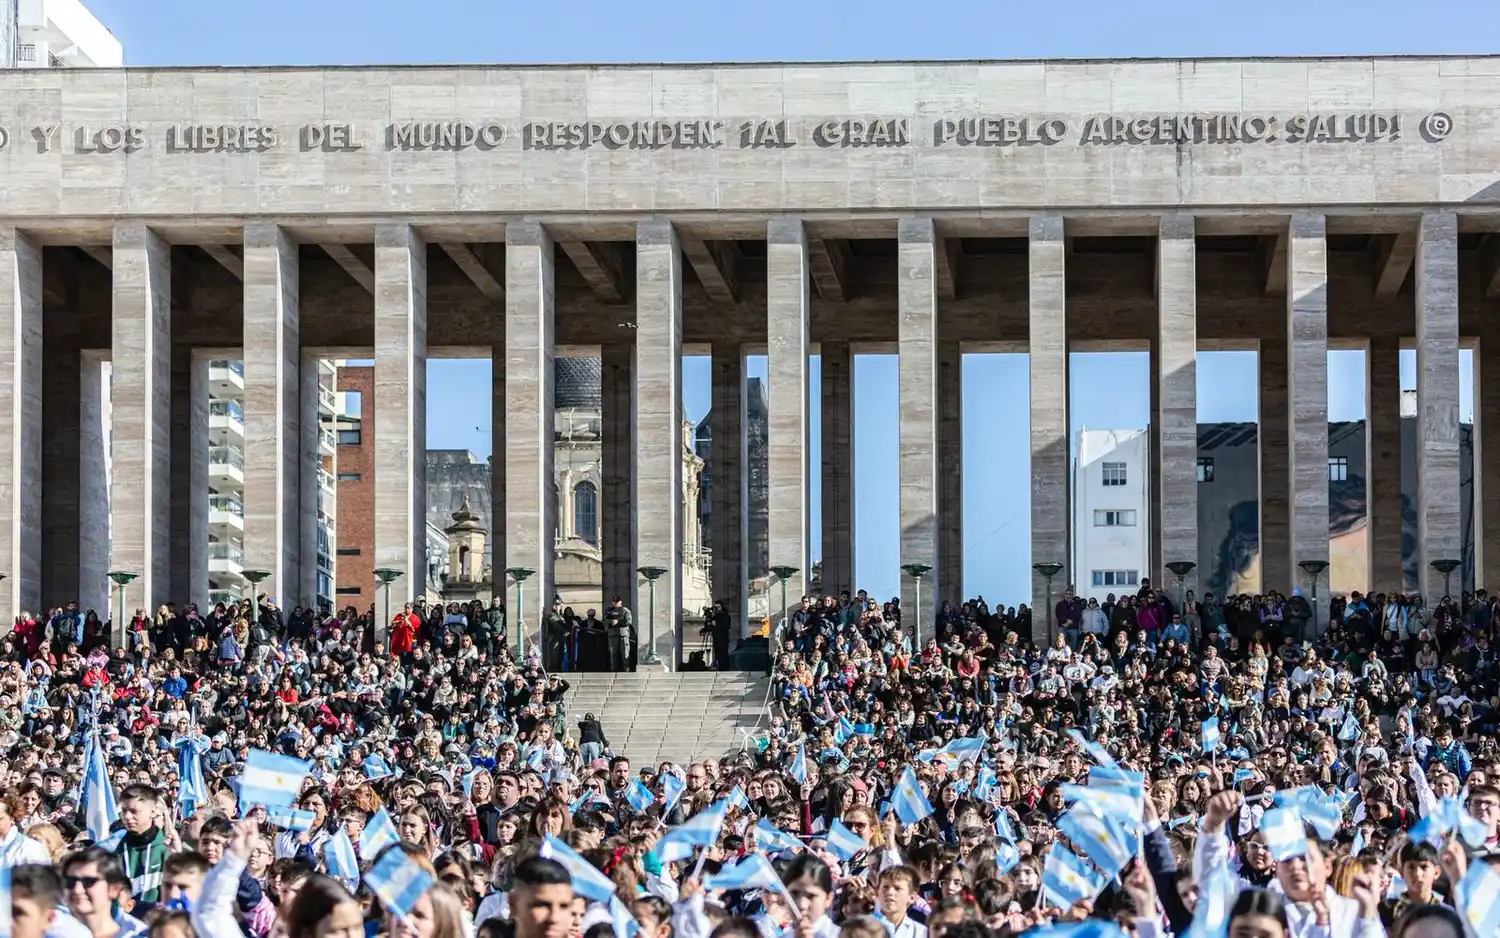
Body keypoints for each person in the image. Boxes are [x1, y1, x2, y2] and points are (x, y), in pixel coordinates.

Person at [605, 596, 634, 673]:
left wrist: (618, 622)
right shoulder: (609, 610)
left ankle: (626, 668)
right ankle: (613, 668)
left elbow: (629, 621)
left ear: (620, 602)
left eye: (617, 601)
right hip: (612, 634)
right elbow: (604, 620)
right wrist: (611, 622)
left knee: (625, 652)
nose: (615, 603)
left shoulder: (625, 610)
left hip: (623, 634)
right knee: (612, 653)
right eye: (614, 601)